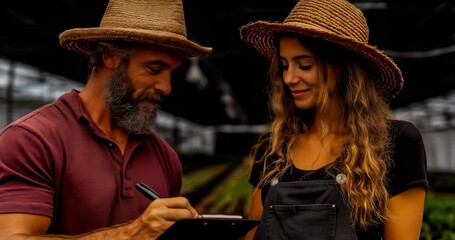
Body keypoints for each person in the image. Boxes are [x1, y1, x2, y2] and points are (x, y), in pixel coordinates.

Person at [0, 0, 212, 238]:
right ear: (109, 56)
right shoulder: (34, 139)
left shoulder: (165, 157)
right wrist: (132, 233)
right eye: (154, 69)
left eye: (171, 72)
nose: (166, 87)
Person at [239, 0, 428, 239]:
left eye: (305, 65)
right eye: (285, 66)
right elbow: (252, 235)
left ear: (343, 67)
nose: (289, 78)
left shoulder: (395, 142)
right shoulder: (273, 147)